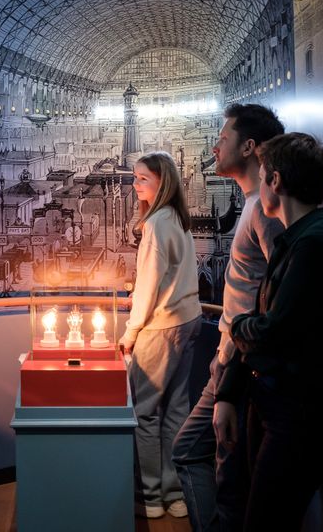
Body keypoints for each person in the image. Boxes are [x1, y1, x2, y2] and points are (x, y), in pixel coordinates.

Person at [219, 133, 323, 531]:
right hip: (279, 407)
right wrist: (228, 393)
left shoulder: (316, 244)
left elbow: (273, 329)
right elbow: (269, 324)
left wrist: (238, 325)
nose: (259, 186)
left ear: (275, 181)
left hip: (298, 417)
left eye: (262, 175)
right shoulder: (300, 240)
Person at [172, 104, 285, 531]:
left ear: (250, 146)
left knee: (225, 474)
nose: (215, 147)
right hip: (230, 358)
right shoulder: (254, 206)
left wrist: (233, 363)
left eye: (223, 138)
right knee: (218, 467)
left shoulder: (263, 212)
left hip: (241, 364)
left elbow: (272, 295)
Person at [121, 151, 202, 519]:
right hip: (189, 321)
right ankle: (175, 494)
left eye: (143, 179)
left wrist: (131, 331)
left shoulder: (155, 224)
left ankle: (150, 496)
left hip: (161, 326)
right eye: (135, 177)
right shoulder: (178, 219)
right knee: (176, 410)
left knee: (145, 413)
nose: (135, 184)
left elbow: (149, 285)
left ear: (161, 181)